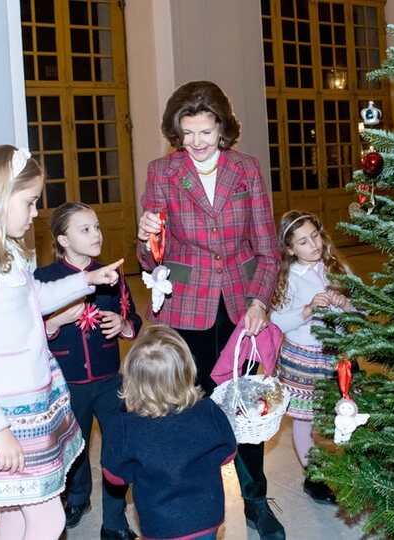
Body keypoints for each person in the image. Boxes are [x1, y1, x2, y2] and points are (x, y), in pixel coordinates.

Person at [0, 145, 124, 539]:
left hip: (27, 402)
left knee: (16, 512)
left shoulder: (5, 249)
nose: (36, 212)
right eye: (30, 201)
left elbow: (34, 299)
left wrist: (85, 281)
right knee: (48, 518)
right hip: (4, 413)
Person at [134, 81, 284, 539]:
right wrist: (146, 238)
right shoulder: (162, 172)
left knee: (246, 407)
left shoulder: (248, 169)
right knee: (188, 409)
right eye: (187, 133)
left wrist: (259, 301)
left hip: (242, 308)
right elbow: (150, 261)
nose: (197, 143)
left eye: (206, 131)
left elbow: (268, 250)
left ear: (223, 127)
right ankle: (197, 504)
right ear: (176, 132)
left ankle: (256, 500)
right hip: (186, 308)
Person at [33, 202, 142, 540]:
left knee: (118, 445)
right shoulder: (43, 279)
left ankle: (115, 519)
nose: (96, 234)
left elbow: (133, 318)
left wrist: (123, 324)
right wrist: (55, 321)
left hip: (110, 378)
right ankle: (78, 498)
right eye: (85, 229)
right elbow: (27, 331)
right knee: (75, 447)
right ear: (63, 239)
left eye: (97, 227)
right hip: (68, 383)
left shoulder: (112, 272)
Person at [102, 325, 237, 540]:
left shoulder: (126, 427)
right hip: (208, 516)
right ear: (187, 370)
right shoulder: (209, 410)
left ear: (131, 380)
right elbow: (228, 452)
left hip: (160, 525)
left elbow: (116, 477)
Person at [269, 211, 354, 504]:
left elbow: (364, 311)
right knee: (305, 419)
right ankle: (313, 476)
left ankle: (352, 466)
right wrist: (306, 310)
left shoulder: (337, 267)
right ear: (291, 249)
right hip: (301, 360)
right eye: (303, 242)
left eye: (315, 236)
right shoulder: (289, 277)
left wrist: (347, 305)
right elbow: (277, 321)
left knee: (341, 413)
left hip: (335, 357)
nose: (313, 245)